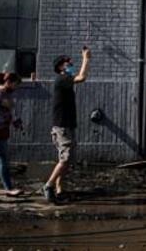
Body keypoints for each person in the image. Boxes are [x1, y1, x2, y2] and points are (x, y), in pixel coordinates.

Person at [42, 47, 91, 202]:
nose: (71, 65)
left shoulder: (65, 81)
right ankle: (48, 186)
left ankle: (60, 189)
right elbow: (81, 77)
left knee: (66, 159)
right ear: (61, 67)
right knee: (65, 159)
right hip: (62, 127)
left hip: (67, 125)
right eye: (68, 63)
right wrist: (86, 59)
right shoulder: (62, 79)